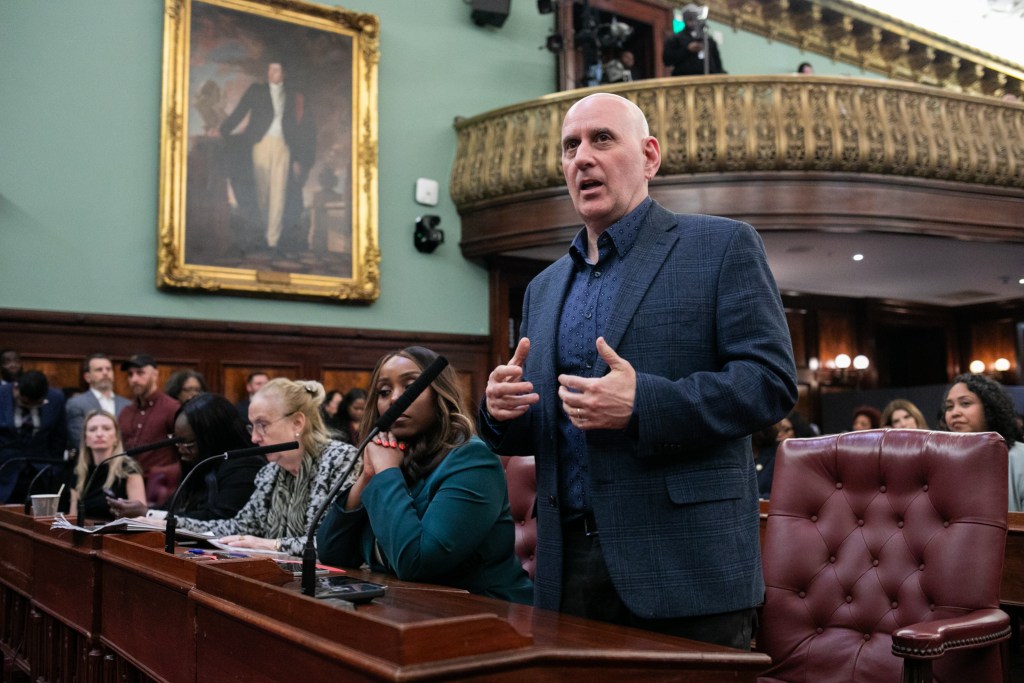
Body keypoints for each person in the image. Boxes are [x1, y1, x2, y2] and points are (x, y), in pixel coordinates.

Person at [478, 93, 797, 647]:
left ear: (649, 157)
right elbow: (553, 422)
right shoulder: (544, 287)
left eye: (602, 139)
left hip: (685, 571)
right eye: (570, 146)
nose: (582, 157)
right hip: (568, 571)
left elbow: (770, 382)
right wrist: (501, 413)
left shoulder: (721, 247)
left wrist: (643, 403)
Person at [318, 347, 533, 603]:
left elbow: (417, 563)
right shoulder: (393, 457)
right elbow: (331, 553)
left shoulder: (472, 459)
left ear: (439, 393)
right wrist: (367, 477)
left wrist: (387, 472)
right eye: (384, 392)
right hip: (406, 607)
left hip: (484, 612)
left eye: (411, 386)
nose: (396, 398)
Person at [175, 378, 360, 555]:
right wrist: (169, 523)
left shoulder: (341, 460)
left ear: (297, 423)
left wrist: (273, 545)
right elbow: (239, 527)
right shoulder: (270, 472)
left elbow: (332, 544)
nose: (254, 438)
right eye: (252, 427)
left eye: (262, 425)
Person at [108, 393, 265, 521]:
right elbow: (175, 509)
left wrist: (148, 514)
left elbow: (219, 519)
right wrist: (141, 512)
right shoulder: (198, 465)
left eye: (188, 443)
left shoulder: (245, 467)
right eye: (176, 440)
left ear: (213, 437)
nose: (181, 449)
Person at [219, 60, 316, 250]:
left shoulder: (293, 95)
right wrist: (223, 129)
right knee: (262, 192)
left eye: (277, 69)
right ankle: (262, 231)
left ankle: (273, 239)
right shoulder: (256, 90)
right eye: (270, 69)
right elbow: (240, 111)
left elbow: (299, 130)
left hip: (284, 146)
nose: (272, 72)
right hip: (260, 144)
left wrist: (298, 157)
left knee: (278, 193)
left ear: (283, 73)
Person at [941, 373, 1024, 511]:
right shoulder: (942, 461)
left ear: (989, 408)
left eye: (965, 403)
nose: (954, 412)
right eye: (949, 407)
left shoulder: (1019, 457)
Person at [117, 354, 180, 506]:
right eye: (130, 374)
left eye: (140, 373)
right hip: (127, 487)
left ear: (155, 374)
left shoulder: (172, 408)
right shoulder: (126, 411)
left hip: (161, 491)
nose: (134, 379)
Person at [0, 370, 68, 503]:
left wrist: (54, 469)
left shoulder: (56, 399)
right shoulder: (2, 395)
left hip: (41, 473)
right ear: (16, 388)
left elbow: (59, 438)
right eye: (25, 403)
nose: (29, 407)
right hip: (5, 472)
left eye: (34, 404)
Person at [69, 411, 145, 521]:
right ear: (86, 439)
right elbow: (73, 517)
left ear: (116, 438)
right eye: (92, 429)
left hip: (116, 535)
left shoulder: (128, 469)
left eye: (106, 428)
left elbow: (141, 517)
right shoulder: (79, 471)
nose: (99, 434)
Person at [65, 354, 131, 452]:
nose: (105, 373)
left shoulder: (128, 404)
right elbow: (79, 440)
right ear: (87, 377)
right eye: (99, 370)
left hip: (123, 461)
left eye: (108, 369)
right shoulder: (76, 404)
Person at [663, 8, 724, 76]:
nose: (693, 22)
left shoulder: (708, 40)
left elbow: (717, 62)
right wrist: (687, 50)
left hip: (709, 78)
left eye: (695, 19)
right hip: (685, 78)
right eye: (690, 19)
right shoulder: (677, 38)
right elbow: (667, 59)